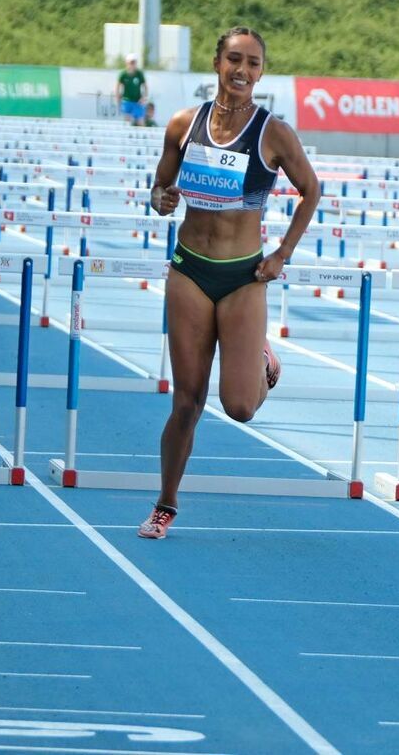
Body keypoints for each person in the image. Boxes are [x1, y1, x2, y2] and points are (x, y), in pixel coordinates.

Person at [137, 26, 320, 539]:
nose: (242, 71)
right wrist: (161, 199)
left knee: (239, 408)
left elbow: (311, 190)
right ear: (217, 63)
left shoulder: (273, 132)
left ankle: (260, 358)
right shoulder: (183, 123)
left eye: (254, 63)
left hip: (243, 277)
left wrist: (283, 253)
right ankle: (165, 505)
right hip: (190, 270)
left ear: (261, 72)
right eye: (234, 60)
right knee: (186, 402)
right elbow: (160, 186)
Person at [115, 53, 148, 126]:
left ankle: (143, 136)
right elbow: (117, 86)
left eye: (134, 62)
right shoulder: (123, 74)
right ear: (127, 63)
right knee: (127, 121)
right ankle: (127, 136)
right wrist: (117, 98)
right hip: (126, 100)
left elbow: (145, 86)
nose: (132, 64)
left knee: (140, 122)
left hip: (137, 101)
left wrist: (144, 97)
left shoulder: (139, 74)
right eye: (131, 62)